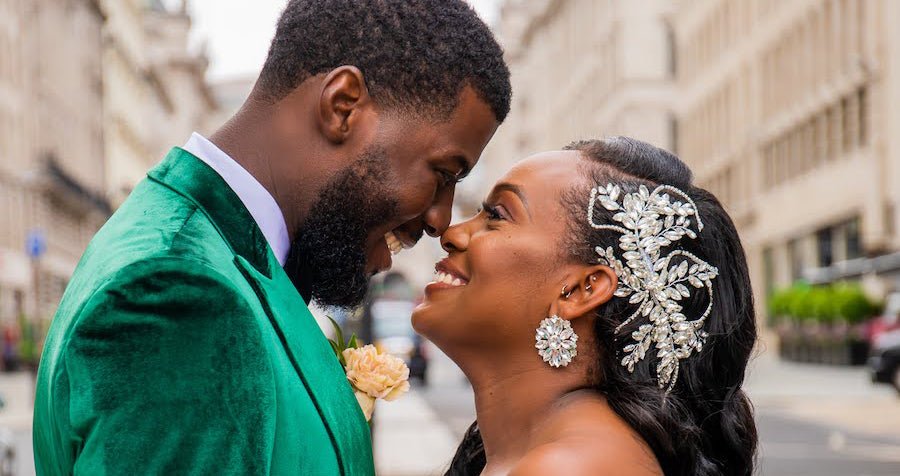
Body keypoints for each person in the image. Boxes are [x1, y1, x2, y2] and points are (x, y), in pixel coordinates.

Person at [32, 1, 510, 474]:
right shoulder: (181, 294)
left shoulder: (229, 261)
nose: (441, 219)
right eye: (443, 173)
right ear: (342, 106)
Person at [412, 137, 758, 475]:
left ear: (579, 291)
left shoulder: (571, 466)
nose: (450, 233)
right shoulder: (537, 451)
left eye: (497, 215)